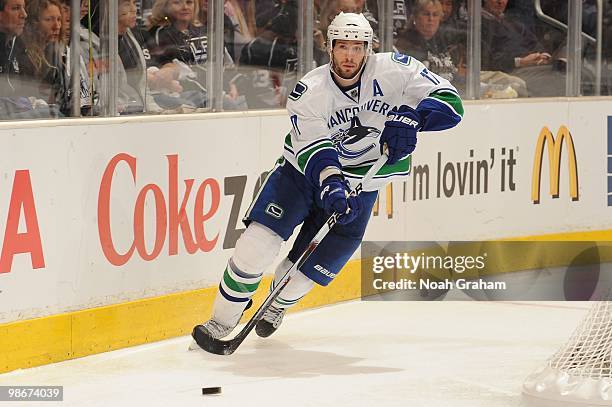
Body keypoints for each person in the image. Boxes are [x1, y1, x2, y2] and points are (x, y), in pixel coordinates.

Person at [194, 12, 463, 342]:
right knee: (256, 246)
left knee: (308, 271)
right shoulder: (310, 91)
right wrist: (331, 181)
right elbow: (315, 149)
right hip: (301, 176)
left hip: (363, 185)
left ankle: (277, 305)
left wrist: (413, 118)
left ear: (370, 48)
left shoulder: (397, 69)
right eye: (342, 46)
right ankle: (220, 322)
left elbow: (451, 102)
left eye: (358, 47)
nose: (350, 56)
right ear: (328, 46)